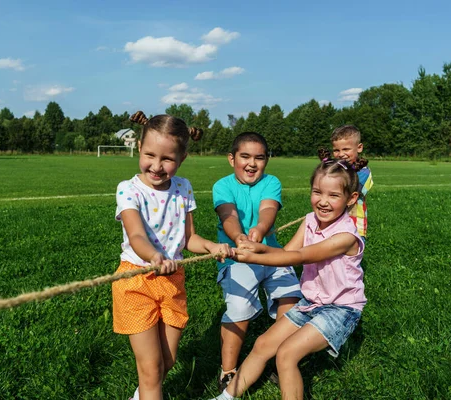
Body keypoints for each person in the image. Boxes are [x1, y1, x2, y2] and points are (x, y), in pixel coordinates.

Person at [211, 157, 366, 400]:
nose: (323, 201)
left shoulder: (346, 236)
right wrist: (254, 248)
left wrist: (253, 258)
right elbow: (285, 252)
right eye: (317, 192)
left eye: (333, 196)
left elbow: (300, 256)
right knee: (262, 345)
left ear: (351, 199)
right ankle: (225, 397)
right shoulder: (310, 220)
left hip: (340, 309)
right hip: (311, 303)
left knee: (286, 355)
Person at [112, 111, 233, 400]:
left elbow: (189, 238)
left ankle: (141, 396)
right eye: (150, 155)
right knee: (152, 369)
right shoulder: (129, 190)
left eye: (167, 159)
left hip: (172, 280)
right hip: (136, 281)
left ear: (182, 158)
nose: (156, 166)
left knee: (167, 362)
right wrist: (154, 256)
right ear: (139, 148)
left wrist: (212, 247)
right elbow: (137, 235)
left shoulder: (183, 187)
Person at [212, 132, 302, 391]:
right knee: (239, 308)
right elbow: (227, 215)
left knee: (292, 299)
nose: (252, 163)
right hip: (237, 257)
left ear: (267, 161)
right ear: (232, 159)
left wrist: (260, 231)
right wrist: (239, 236)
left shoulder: (271, 182)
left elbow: (268, 210)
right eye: (245, 157)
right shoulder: (222, 186)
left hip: (270, 253)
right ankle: (228, 370)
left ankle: (279, 359)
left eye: (259, 158)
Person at [330, 125, 373, 240]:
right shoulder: (335, 169)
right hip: (333, 222)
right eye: (336, 150)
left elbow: (348, 190)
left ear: (359, 148)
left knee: (350, 257)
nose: (341, 154)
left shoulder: (363, 172)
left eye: (346, 149)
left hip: (354, 224)